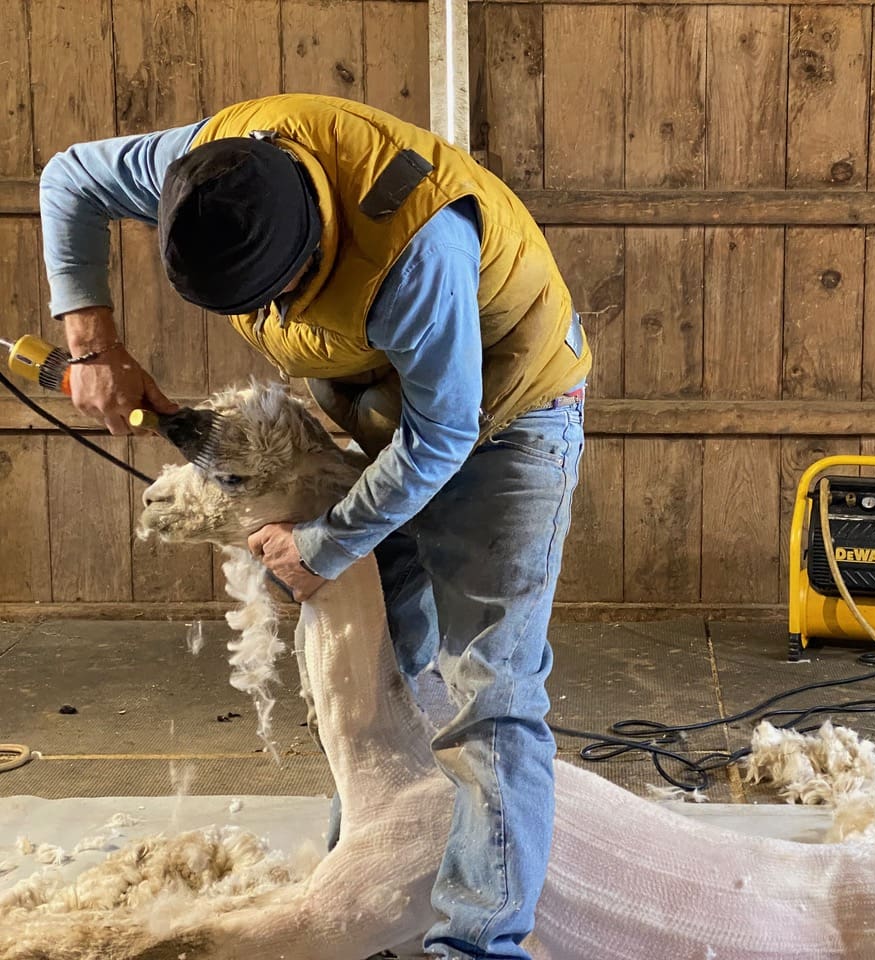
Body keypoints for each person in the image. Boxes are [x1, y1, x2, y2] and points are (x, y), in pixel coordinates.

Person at [39, 93, 590, 960]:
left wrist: (326, 543)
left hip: (511, 415)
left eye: (283, 294)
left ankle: (477, 944)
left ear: (311, 244)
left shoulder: (415, 246)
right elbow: (69, 176)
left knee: (490, 684)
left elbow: (444, 433)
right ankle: (369, 883)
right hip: (390, 403)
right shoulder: (209, 170)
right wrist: (91, 344)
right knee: (381, 662)